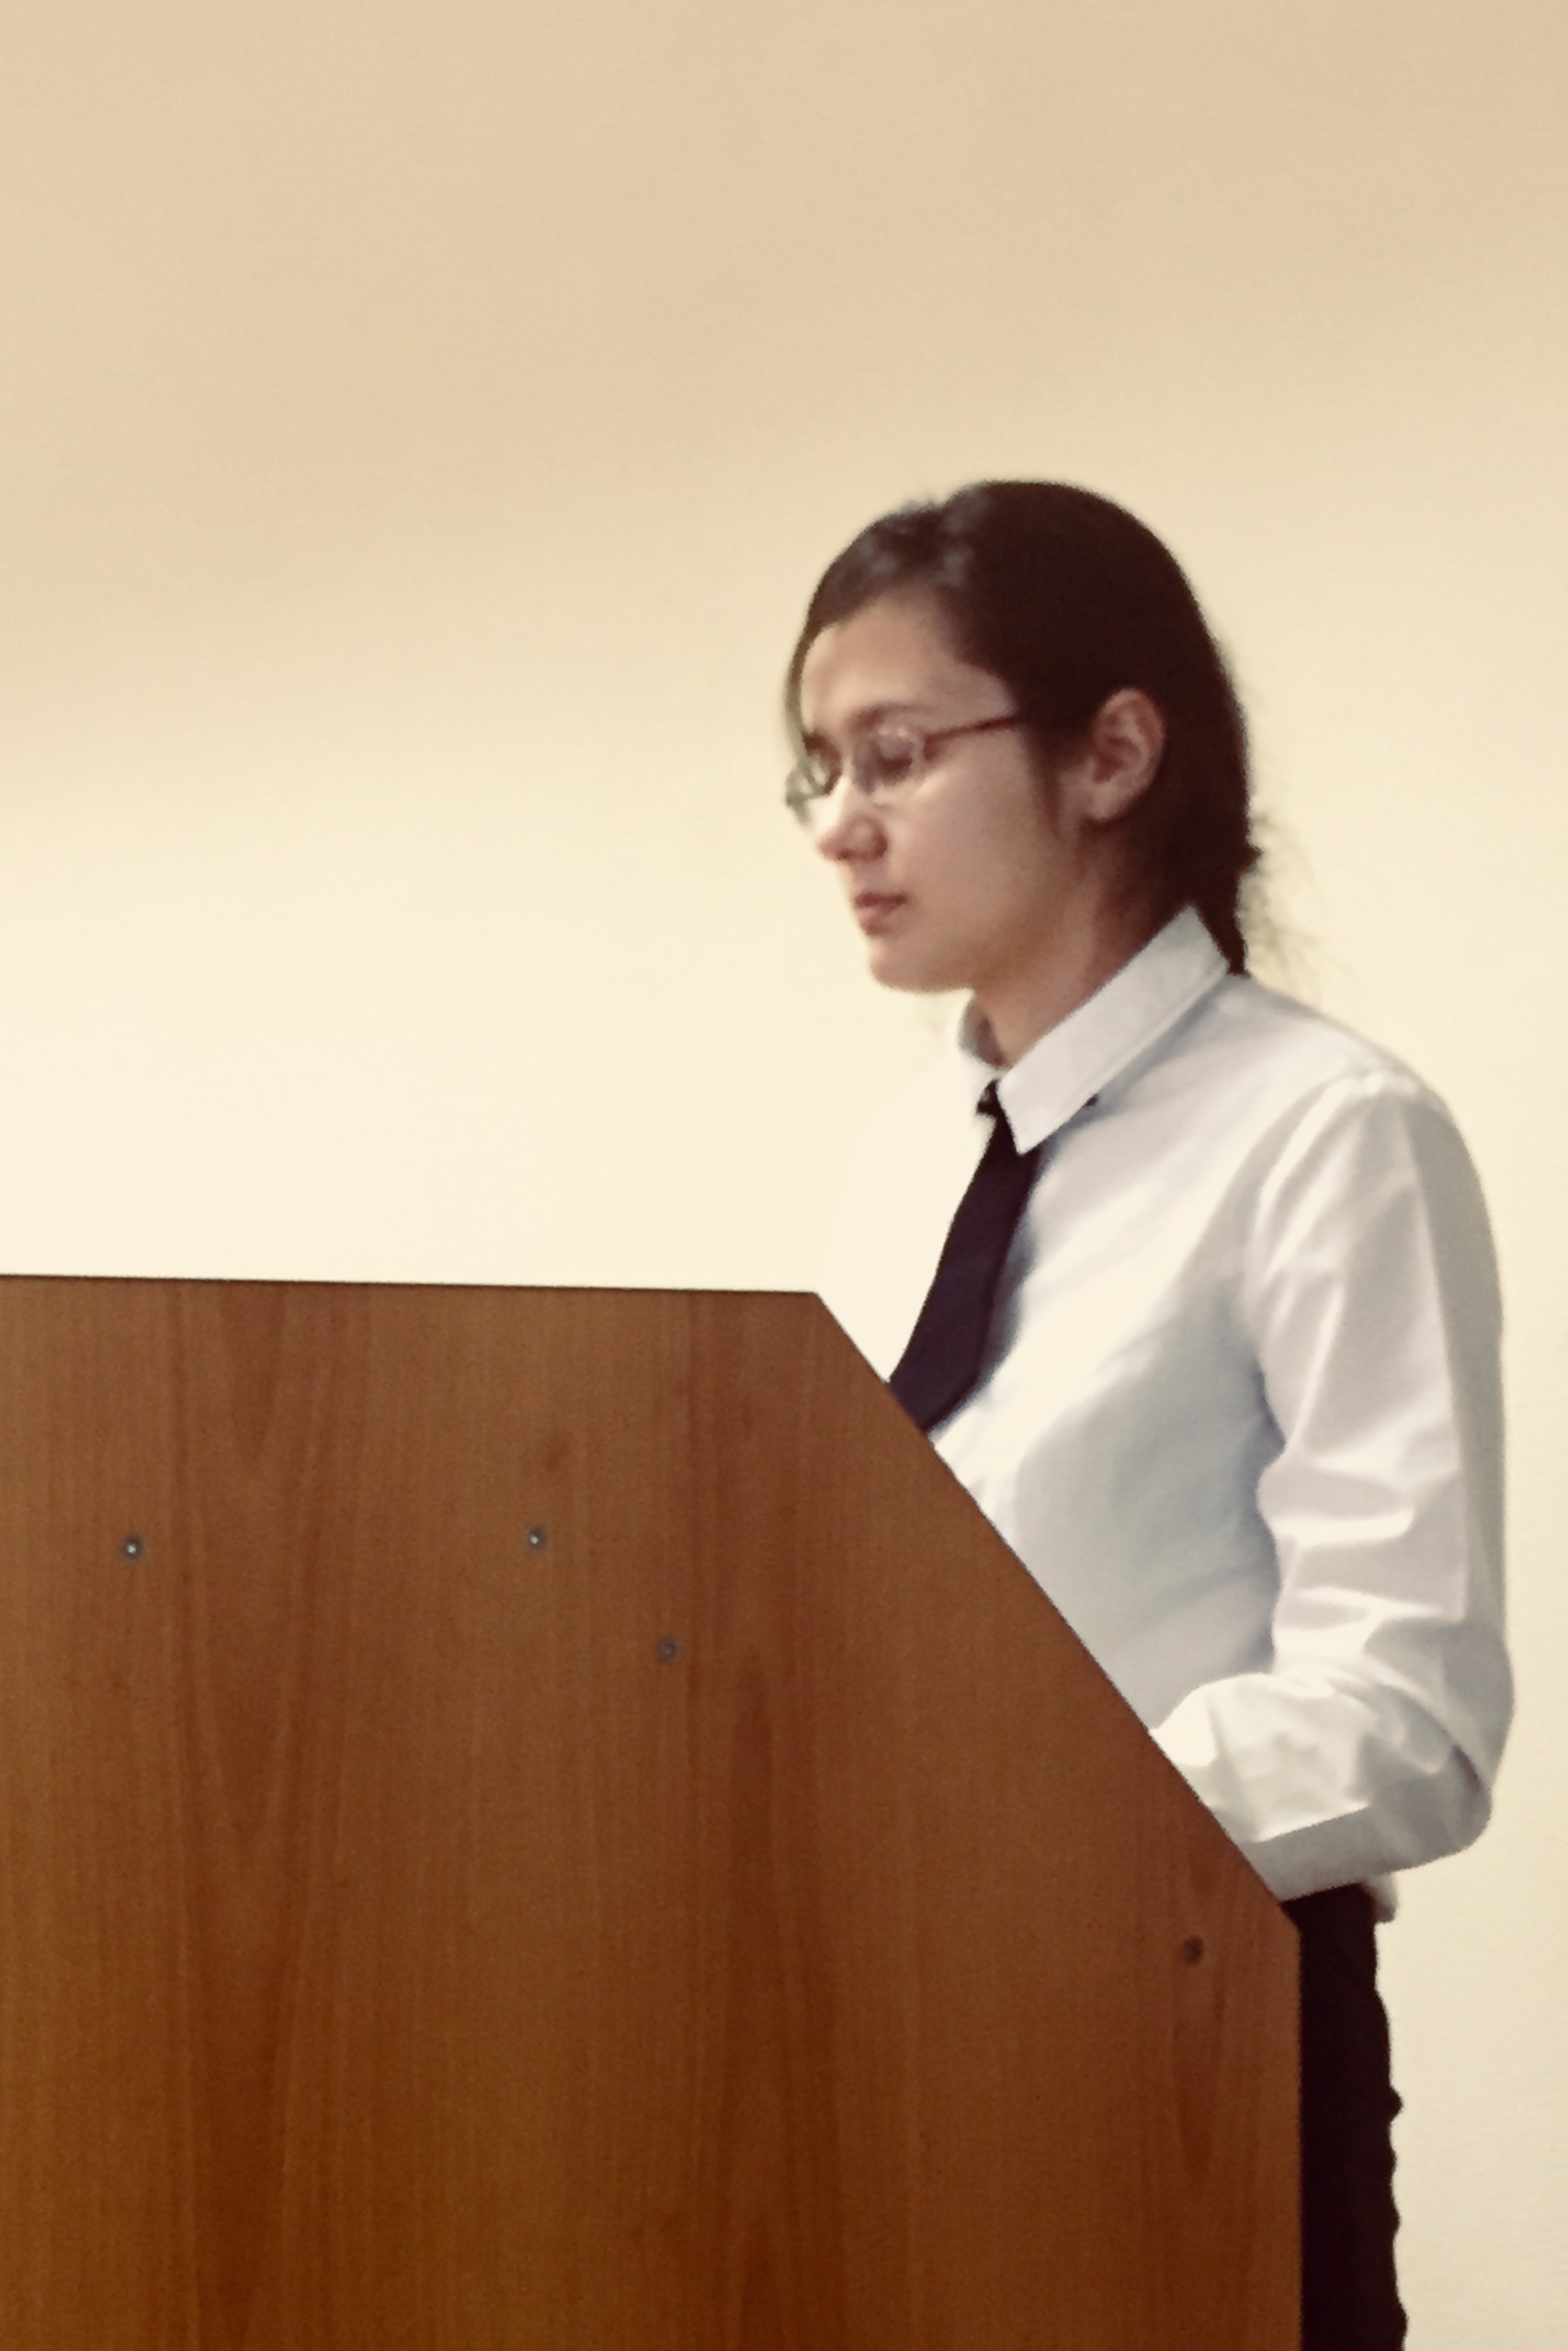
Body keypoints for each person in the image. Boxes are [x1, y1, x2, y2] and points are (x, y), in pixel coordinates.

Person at [784, 481, 1512, 2351]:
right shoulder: (906, 1160)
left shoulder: (1322, 1132)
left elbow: (1405, 1714)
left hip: (1192, 2037)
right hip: (891, 2033)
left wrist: (1009, 1833)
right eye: (817, 769)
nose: (841, 822)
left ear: (1111, 751)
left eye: (895, 753)